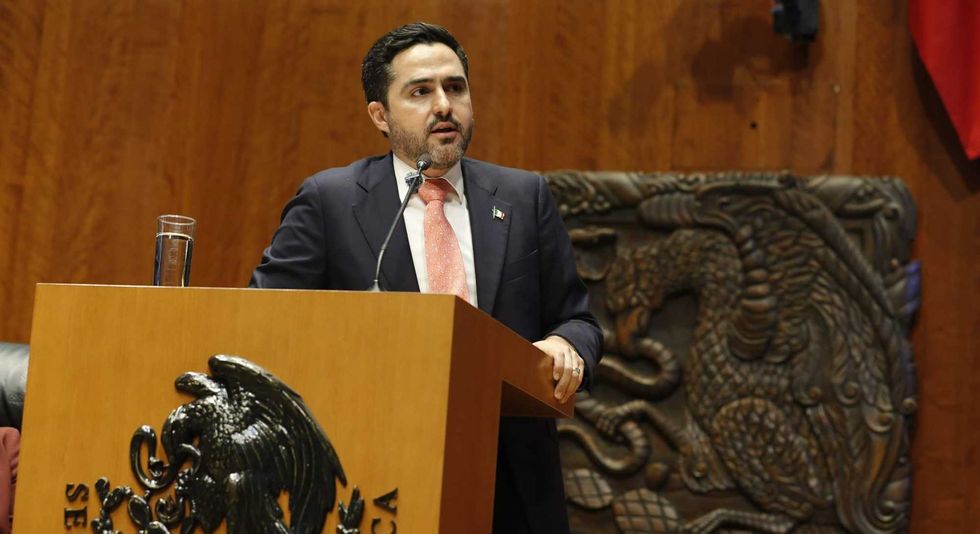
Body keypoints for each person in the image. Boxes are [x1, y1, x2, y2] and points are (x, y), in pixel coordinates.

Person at [250, 22, 601, 533]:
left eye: (455, 88)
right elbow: (266, 322)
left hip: (510, 483)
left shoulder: (524, 197)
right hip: (370, 476)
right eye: (421, 91)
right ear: (381, 115)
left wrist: (565, 344)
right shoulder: (330, 202)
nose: (444, 105)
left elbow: (578, 319)